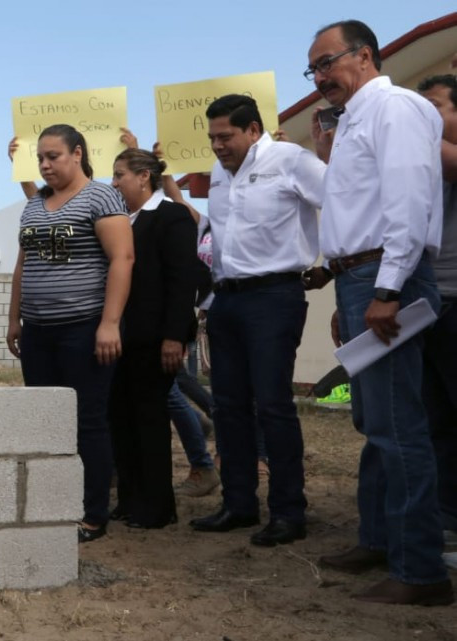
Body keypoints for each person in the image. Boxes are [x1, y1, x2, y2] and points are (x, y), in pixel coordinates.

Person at [307, 20, 452, 606]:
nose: (319, 78)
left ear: (364, 55)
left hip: (385, 275)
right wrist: (341, 281)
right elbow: (358, 209)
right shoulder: (353, 120)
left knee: (398, 427)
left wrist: (387, 289)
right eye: (313, 69)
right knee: (374, 423)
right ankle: (378, 539)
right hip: (359, 277)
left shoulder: (394, 108)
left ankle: (421, 572)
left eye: (327, 63)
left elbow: (408, 203)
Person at [187, 94, 325, 548]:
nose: (218, 145)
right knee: (227, 406)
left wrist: (334, 265)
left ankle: (288, 511)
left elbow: (343, 200)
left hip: (274, 296)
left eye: (225, 136)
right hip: (225, 301)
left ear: (253, 129)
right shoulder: (218, 175)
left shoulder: (291, 160)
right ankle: (239, 503)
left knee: (272, 404)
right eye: (212, 138)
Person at [6, 124, 134, 543]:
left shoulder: (101, 197)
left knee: (87, 422)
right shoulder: (33, 206)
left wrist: (109, 323)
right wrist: (14, 318)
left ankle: (93, 514)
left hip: (84, 328)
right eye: (40, 158)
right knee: (44, 420)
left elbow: (122, 259)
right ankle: (52, 508)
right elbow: (24, 265)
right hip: (38, 332)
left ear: (77, 154)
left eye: (53, 156)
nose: (45, 165)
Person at [107, 149, 199, 529]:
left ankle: (157, 506)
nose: (114, 183)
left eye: (120, 175)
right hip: (120, 338)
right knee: (121, 419)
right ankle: (129, 499)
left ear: (144, 176)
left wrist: (174, 336)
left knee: (149, 419)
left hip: (154, 338)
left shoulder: (171, 217)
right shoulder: (119, 221)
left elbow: (182, 280)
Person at [418, 73, 457, 571]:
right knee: (437, 422)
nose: (423, 117)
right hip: (427, 302)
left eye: (434, 107)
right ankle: (447, 518)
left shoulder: (437, 154)